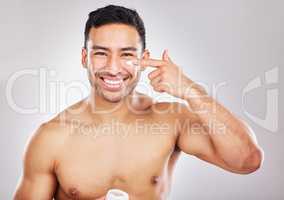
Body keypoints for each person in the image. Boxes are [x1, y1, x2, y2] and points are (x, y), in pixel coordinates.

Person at [14, 4, 264, 200]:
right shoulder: (51, 137)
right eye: (101, 53)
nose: (113, 68)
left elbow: (247, 161)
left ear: (144, 59)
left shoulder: (170, 120)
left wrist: (190, 90)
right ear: (84, 57)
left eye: (126, 55)